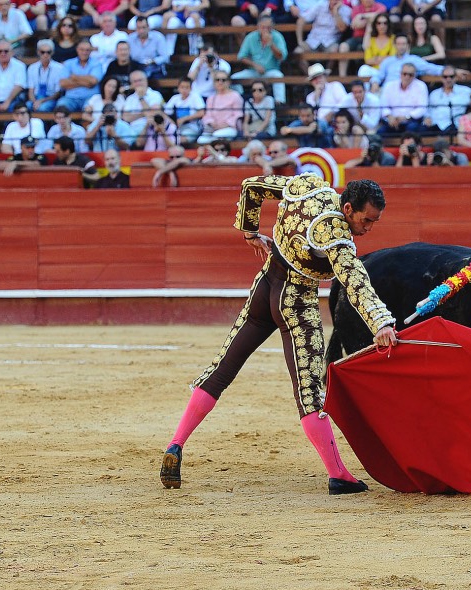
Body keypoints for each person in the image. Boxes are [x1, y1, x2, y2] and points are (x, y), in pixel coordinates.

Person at [159, 174, 398, 495]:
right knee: (310, 392)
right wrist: (380, 322)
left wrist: (249, 231)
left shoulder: (308, 185)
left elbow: (251, 186)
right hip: (296, 301)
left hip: (266, 285)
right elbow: (356, 281)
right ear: (349, 207)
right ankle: (338, 475)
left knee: (221, 369)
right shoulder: (336, 235)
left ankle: (176, 445)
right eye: (366, 220)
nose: (368, 228)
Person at [424, 65, 471, 135]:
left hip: (452, 126)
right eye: (445, 77)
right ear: (441, 78)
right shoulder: (434, 94)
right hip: (434, 126)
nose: (448, 79)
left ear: (456, 77)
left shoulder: (464, 91)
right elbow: (428, 110)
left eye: (451, 76)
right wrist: (427, 117)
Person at [370, 33, 457, 92]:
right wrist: (374, 82)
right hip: (389, 92)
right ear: (395, 45)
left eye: (403, 44)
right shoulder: (388, 61)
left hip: (407, 91)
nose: (401, 47)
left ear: (408, 45)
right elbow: (379, 75)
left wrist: (452, 70)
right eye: (399, 44)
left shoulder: (414, 60)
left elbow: (430, 68)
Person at [233, 15, 288, 105]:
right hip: (253, 71)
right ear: (258, 26)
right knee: (234, 78)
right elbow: (241, 56)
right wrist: (254, 65)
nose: (265, 30)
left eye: (268, 27)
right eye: (263, 27)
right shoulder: (251, 37)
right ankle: (241, 101)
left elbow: (282, 57)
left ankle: (279, 103)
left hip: (271, 71)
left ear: (272, 27)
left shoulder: (277, 37)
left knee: (279, 76)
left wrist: (271, 44)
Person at [293, 0, 350, 74]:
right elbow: (301, 20)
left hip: (330, 42)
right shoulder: (320, 6)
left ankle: (327, 74)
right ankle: (312, 77)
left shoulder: (346, 10)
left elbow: (342, 28)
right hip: (313, 40)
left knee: (335, 50)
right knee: (297, 52)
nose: (335, 1)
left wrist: (336, 12)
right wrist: (300, 41)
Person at [337, 0, 386, 77]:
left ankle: (360, 74)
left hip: (373, 37)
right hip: (357, 37)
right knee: (343, 47)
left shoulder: (380, 6)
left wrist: (362, 16)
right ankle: (342, 77)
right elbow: (356, 25)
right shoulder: (356, 9)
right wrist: (371, 19)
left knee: (363, 48)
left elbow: (380, 15)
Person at [378, 63, 429, 136]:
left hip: (411, 120)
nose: (407, 77)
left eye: (410, 75)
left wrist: (406, 117)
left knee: (412, 129)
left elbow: (422, 108)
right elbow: (383, 105)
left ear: (415, 75)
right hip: (392, 120)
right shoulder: (389, 86)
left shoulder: (421, 86)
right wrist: (390, 116)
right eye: (404, 74)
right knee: (380, 132)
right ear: (400, 73)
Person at [197, 71, 242, 145]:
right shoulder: (211, 98)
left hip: (230, 128)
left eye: (223, 80)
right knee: (201, 140)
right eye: (217, 80)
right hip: (213, 128)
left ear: (228, 82)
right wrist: (212, 123)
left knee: (217, 136)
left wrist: (224, 125)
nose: (220, 82)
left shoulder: (235, 96)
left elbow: (238, 115)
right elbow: (207, 115)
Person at [57, 40, 102, 113]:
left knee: (90, 110)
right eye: (82, 50)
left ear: (91, 51)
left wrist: (74, 78)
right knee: (61, 107)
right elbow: (63, 83)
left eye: (87, 50)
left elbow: (93, 81)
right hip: (70, 98)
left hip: (90, 98)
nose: (84, 52)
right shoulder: (68, 63)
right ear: (77, 49)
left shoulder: (97, 64)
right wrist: (86, 83)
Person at [121, 70, 163, 139]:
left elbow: (153, 115)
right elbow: (126, 118)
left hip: (150, 129)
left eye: (140, 80)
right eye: (135, 81)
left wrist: (141, 98)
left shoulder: (155, 95)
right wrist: (144, 113)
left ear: (146, 80)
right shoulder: (130, 98)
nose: (138, 83)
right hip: (132, 131)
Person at [164, 76, 205, 144]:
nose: (184, 90)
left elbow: (202, 112)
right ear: (178, 88)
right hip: (177, 127)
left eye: (187, 87)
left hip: (192, 127)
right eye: (182, 87)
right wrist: (172, 123)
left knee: (179, 140)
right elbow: (165, 113)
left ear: (191, 88)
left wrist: (184, 119)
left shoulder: (195, 96)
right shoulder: (175, 98)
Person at [128, 16, 171, 81]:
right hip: (136, 69)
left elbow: (165, 57)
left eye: (143, 27)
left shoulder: (158, 37)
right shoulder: (130, 38)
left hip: (154, 69)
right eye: (139, 28)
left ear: (148, 27)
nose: (141, 31)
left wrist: (153, 61)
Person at [27, 39, 64, 113]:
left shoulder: (59, 68)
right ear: (38, 52)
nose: (45, 55)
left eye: (48, 52)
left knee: (42, 108)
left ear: (52, 52)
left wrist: (41, 101)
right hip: (36, 97)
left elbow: (57, 93)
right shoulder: (32, 67)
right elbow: (31, 90)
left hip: (50, 98)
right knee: (26, 106)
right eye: (42, 52)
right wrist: (35, 101)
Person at [359, 13, 396, 79]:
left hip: (388, 70)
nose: (382, 26)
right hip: (374, 70)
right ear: (375, 25)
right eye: (379, 23)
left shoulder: (393, 38)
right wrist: (385, 57)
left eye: (385, 23)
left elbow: (392, 58)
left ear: (388, 25)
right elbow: (368, 60)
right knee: (363, 69)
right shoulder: (371, 39)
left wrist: (376, 58)